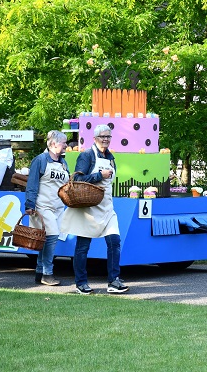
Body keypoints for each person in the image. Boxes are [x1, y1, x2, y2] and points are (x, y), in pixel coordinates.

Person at [61, 124, 128, 294]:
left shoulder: (111, 158)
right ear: (95, 138)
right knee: (83, 246)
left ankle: (114, 281)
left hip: (106, 207)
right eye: (102, 136)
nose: (105, 139)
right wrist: (100, 175)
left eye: (108, 137)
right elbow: (79, 179)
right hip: (88, 208)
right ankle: (81, 283)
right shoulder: (87, 156)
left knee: (114, 242)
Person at [24, 130, 69, 286]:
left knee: (46, 238)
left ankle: (39, 271)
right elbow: (32, 184)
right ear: (53, 144)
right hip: (43, 205)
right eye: (64, 142)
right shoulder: (40, 160)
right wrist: (29, 204)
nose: (66, 145)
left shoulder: (64, 163)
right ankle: (48, 274)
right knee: (52, 236)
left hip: (58, 207)